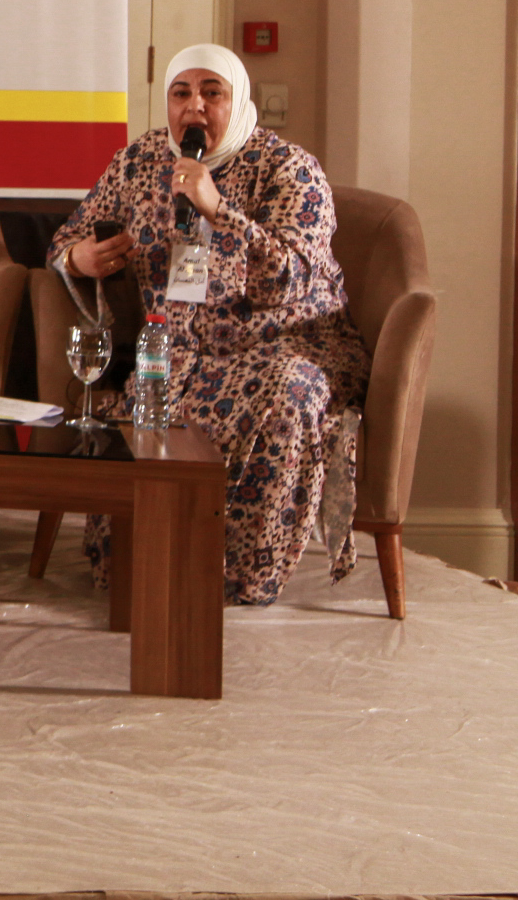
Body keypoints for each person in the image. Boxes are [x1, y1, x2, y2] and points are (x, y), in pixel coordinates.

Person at [47, 43, 366, 606]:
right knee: (156, 395)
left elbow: (291, 280)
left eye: (211, 93)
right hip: (177, 350)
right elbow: (67, 238)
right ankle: (153, 566)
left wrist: (218, 208)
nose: (194, 106)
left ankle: (243, 579)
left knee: (288, 392)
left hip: (286, 345)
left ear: (236, 101)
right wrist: (80, 258)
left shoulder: (290, 168)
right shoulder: (139, 161)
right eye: (181, 93)